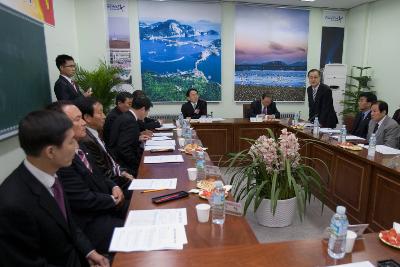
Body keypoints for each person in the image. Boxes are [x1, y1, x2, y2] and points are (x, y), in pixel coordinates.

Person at [0, 110, 109, 267]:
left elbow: (69, 225)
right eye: (71, 142)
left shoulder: (51, 175)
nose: (77, 146)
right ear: (51, 151)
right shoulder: (12, 204)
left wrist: (90, 252)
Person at [47, 101, 127, 254]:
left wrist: (114, 186)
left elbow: (100, 175)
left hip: (106, 205)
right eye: (77, 119)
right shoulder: (62, 160)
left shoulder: (80, 145)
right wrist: (112, 199)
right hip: (91, 222)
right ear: (59, 126)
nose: (83, 122)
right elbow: (82, 199)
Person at [75, 97, 134, 193]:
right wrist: (127, 179)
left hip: (117, 175)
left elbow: (110, 160)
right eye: (100, 113)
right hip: (112, 187)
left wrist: (122, 172)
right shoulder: (86, 140)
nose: (104, 116)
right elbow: (104, 173)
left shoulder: (94, 133)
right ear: (87, 118)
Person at [108, 96, 152, 177]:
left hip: (119, 160)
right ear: (142, 109)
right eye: (147, 111)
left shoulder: (126, 116)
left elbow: (123, 139)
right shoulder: (130, 121)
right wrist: (139, 164)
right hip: (123, 165)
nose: (147, 114)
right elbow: (124, 149)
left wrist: (137, 138)